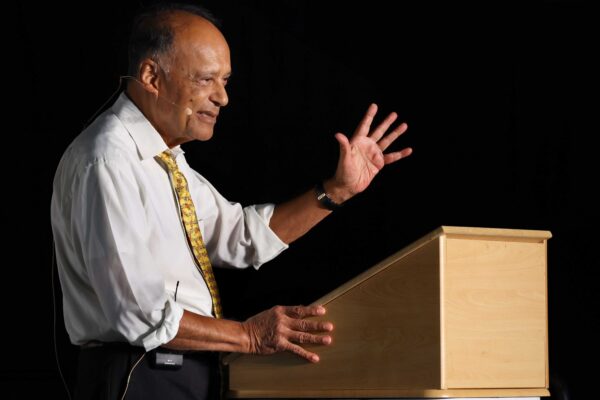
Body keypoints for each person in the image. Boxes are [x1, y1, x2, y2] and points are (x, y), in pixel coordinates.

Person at [50, 3, 412, 400]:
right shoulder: (109, 159)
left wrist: (336, 191)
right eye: (206, 79)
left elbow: (240, 236)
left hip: (181, 371)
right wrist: (248, 336)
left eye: (224, 80)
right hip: (139, 375)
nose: (222, 97)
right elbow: (136, 311)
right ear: (151, 76)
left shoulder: (164, 159)